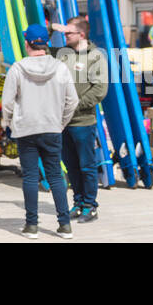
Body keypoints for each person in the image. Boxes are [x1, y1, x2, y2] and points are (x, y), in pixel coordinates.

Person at [1, 24, 78, 239]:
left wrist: (9, 122)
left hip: (26, 129)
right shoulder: (60, 67)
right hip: (52, 128)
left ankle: (31, 225)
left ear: (27, 43)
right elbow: (73, 101)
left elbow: (7, 102)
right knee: (55, 176)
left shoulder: (17, 68)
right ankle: (64, 225)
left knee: (31, 176)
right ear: (47, 43)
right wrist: (60, 123)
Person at [53, 16, 108, 223]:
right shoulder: (63, 55)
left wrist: (74, 105)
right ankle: (77, 202)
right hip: (63, 123)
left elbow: (100, 90)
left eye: (68, 32)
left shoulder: (95, 57)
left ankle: (90, 205)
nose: (65, 35)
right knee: (71, 165)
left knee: (87, 165)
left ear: (81, 35)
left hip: (83, 122)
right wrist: (51, 28)